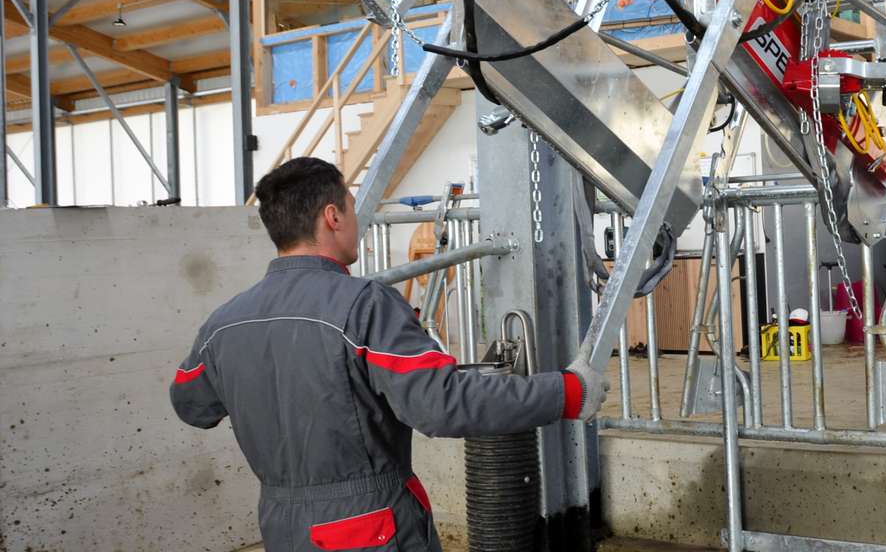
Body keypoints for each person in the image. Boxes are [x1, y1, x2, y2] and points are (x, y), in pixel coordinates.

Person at [170, 157, 608, 551]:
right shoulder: (363, 306)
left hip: (283, 526)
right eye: (351, 206)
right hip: (370, 529)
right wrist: (565, 392)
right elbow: (441, 404)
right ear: (332, 216)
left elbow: (190, 403)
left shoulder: (224, 323)